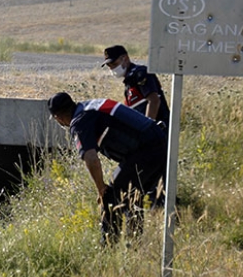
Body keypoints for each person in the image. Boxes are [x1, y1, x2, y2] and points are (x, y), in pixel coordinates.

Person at [47, 92, 166, 246]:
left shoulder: (79, 121)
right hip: (158, 142)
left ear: (58, 118)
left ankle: (108, 246)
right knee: (132, 197)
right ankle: (135, 246)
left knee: (110, 197)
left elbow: (91, 158)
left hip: (146, 149)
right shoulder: (89, 107)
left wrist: (100, 188)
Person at [101, 45, 170, 125]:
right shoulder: (129, 81)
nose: (112, 68)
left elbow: (154, 101)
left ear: (125, 58)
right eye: (109, 66)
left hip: (158, 129)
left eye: (114, 63)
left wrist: (147, 128)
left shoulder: (140, 74)